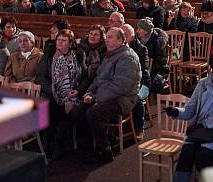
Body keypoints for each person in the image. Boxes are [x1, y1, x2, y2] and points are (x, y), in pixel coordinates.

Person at [72, 27, 142, 163]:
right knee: (78, 111)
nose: (106, 40)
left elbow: (120, 87)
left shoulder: (128, 57)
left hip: (123, 99)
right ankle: (90, 146)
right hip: (105, 95)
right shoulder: (110, 54)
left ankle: (104, 150)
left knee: (93, 113)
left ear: (121, 40)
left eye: (110, 37)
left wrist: (96, 97)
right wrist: (90, 92)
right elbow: (99, 78)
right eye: (107, 37)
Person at [36, 29, 89, 161]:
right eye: (58, 39)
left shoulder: (78, 55)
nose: (60, 42)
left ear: (70, 43)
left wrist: (79, 90)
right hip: (51, 92)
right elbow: (40, 77)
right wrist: (53, 90)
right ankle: (48, 143)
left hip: (73, 93)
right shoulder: (49, 54)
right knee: (50, 106)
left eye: (64, 40)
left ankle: (58, 145)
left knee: (66, 108)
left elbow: (85, 77)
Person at [120, 23, 151, 134]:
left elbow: (142, 72)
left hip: (142, 83)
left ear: (132, 37)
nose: (122, 37)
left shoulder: (141, 49)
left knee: (136, 98)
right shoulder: (116, 48)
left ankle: (139, 128)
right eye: (120, 34)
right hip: (124, 84)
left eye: (125, 35)